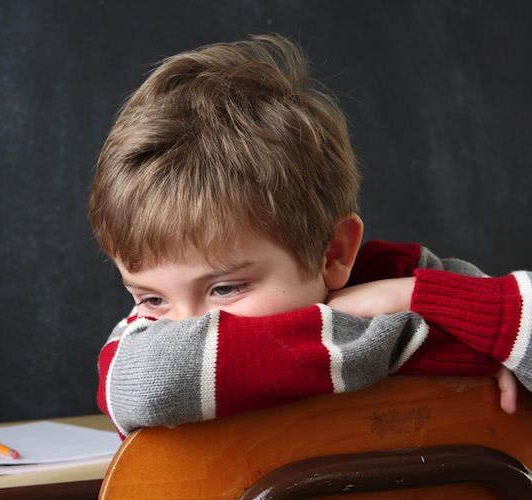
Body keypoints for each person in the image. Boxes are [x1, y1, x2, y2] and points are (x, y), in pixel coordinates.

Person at [87, 34, 531, 437]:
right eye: (151, 299)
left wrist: (413, 294)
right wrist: (459, 345)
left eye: (224, 288)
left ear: (334, 253)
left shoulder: (402, 275)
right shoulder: (140, 348)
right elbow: (148, 382)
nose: (187, 327)